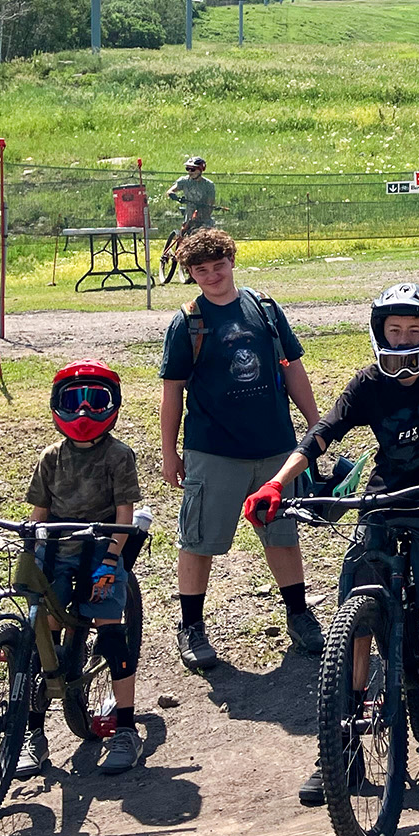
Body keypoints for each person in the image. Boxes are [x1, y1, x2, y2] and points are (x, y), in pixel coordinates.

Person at [247, 284, 419, 802]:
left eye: (414, 331)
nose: (404, 340)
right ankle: (344, 747)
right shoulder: (367, 382)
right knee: (354, 619)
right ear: (378, 331)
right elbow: (323, 432)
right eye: (394, 330)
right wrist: (276, 482)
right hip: (382, 504)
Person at [159, 229, 324, 670]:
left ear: (232, 261)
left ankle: (299, 615)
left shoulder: (265, 309)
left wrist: (315, 426)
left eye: (219, 265)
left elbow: (293, 369)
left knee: (283, 536)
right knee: (198, 541)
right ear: (190, 274)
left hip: (275, 449)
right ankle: (191, 626)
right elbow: (172, 392)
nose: (212, 275)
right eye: (201, 270)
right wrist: (169, 452)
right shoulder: (188, 321)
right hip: (212, 450)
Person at [17, 362, 145, 778]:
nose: (85, 411)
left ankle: (126, 728)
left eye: (97, 400)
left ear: (114, 406)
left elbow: (124, 514)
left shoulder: (119, 455)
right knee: (42, 637)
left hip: (99, 552)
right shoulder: (50, 458)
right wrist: (31, 551)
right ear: (57, 407)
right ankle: (31, 733)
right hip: (57, 553)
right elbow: (39, 515)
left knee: (111, 630)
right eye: (73, 401)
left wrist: (111, 559)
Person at [166, 157, 215, 235]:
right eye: (187, 169)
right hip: (189, 217)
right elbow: (170, 191)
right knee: (184, 235)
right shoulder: (184, 181)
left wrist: (202, 212)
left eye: (192, 169)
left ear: (200, 170)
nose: (189, 172)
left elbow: (210, 205)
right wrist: (175, 196)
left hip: (204, 218)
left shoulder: (209, 185)